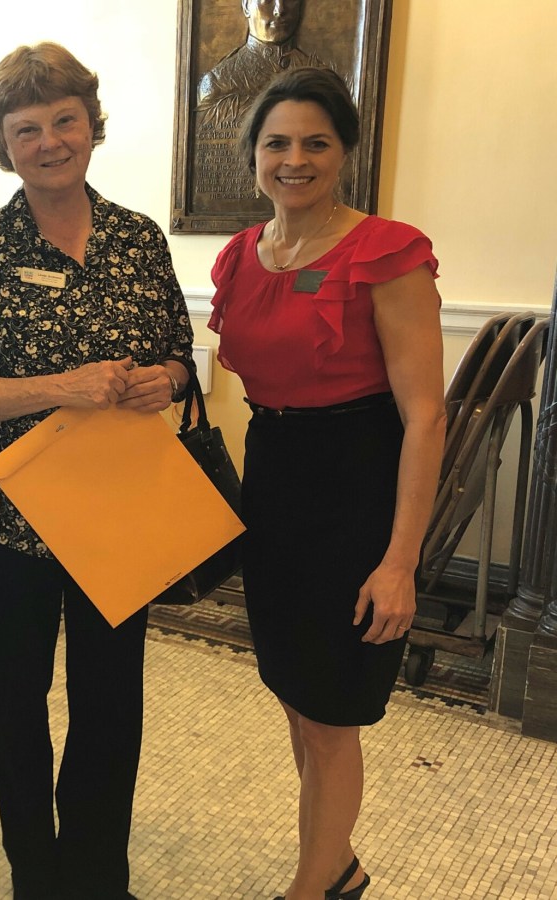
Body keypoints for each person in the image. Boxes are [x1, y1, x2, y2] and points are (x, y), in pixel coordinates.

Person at [0, 43, 195, 900]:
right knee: (19, 705)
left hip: (120, 512)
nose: (49, 141)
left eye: (64, 120)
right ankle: (35, 878)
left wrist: (170, 378)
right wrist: (60, 388)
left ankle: (98, 876)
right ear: (6, 144)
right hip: (16, 524)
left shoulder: (137, 239)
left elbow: (182, 354)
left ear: (91, 125)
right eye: (27, 128)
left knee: (113, 703)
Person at [208, 66, 445, 900]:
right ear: (254, 156)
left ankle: (315, 888)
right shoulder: (242, 255)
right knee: (296, 694)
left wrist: (401, 560)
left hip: (356, 492)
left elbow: (424, 415)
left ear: (345, 151)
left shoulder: (386, 251)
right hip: (273, 489)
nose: (295, 159)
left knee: (332, 710)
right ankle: (336, 862)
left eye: (316, 142)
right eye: (278, 143)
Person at [197, 0, 328, 128]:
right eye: (268, 1)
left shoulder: (323, 77)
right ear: (246, 6)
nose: (280, 10)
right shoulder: (218, 83)